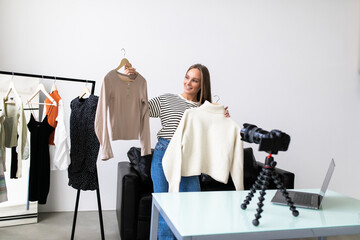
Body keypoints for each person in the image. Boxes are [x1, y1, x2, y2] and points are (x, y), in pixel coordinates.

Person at [125, 63, 229, 240]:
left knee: (191, 208)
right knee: (166, 209)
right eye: (187, 77)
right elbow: (137, 108)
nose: (188, 83)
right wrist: (130, 82)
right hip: (164, 154)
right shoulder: (167, 99)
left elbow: (215, 140)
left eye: (195, 80)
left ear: (202, 85)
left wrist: (223, 120)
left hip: (189, 159)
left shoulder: (205, 109)